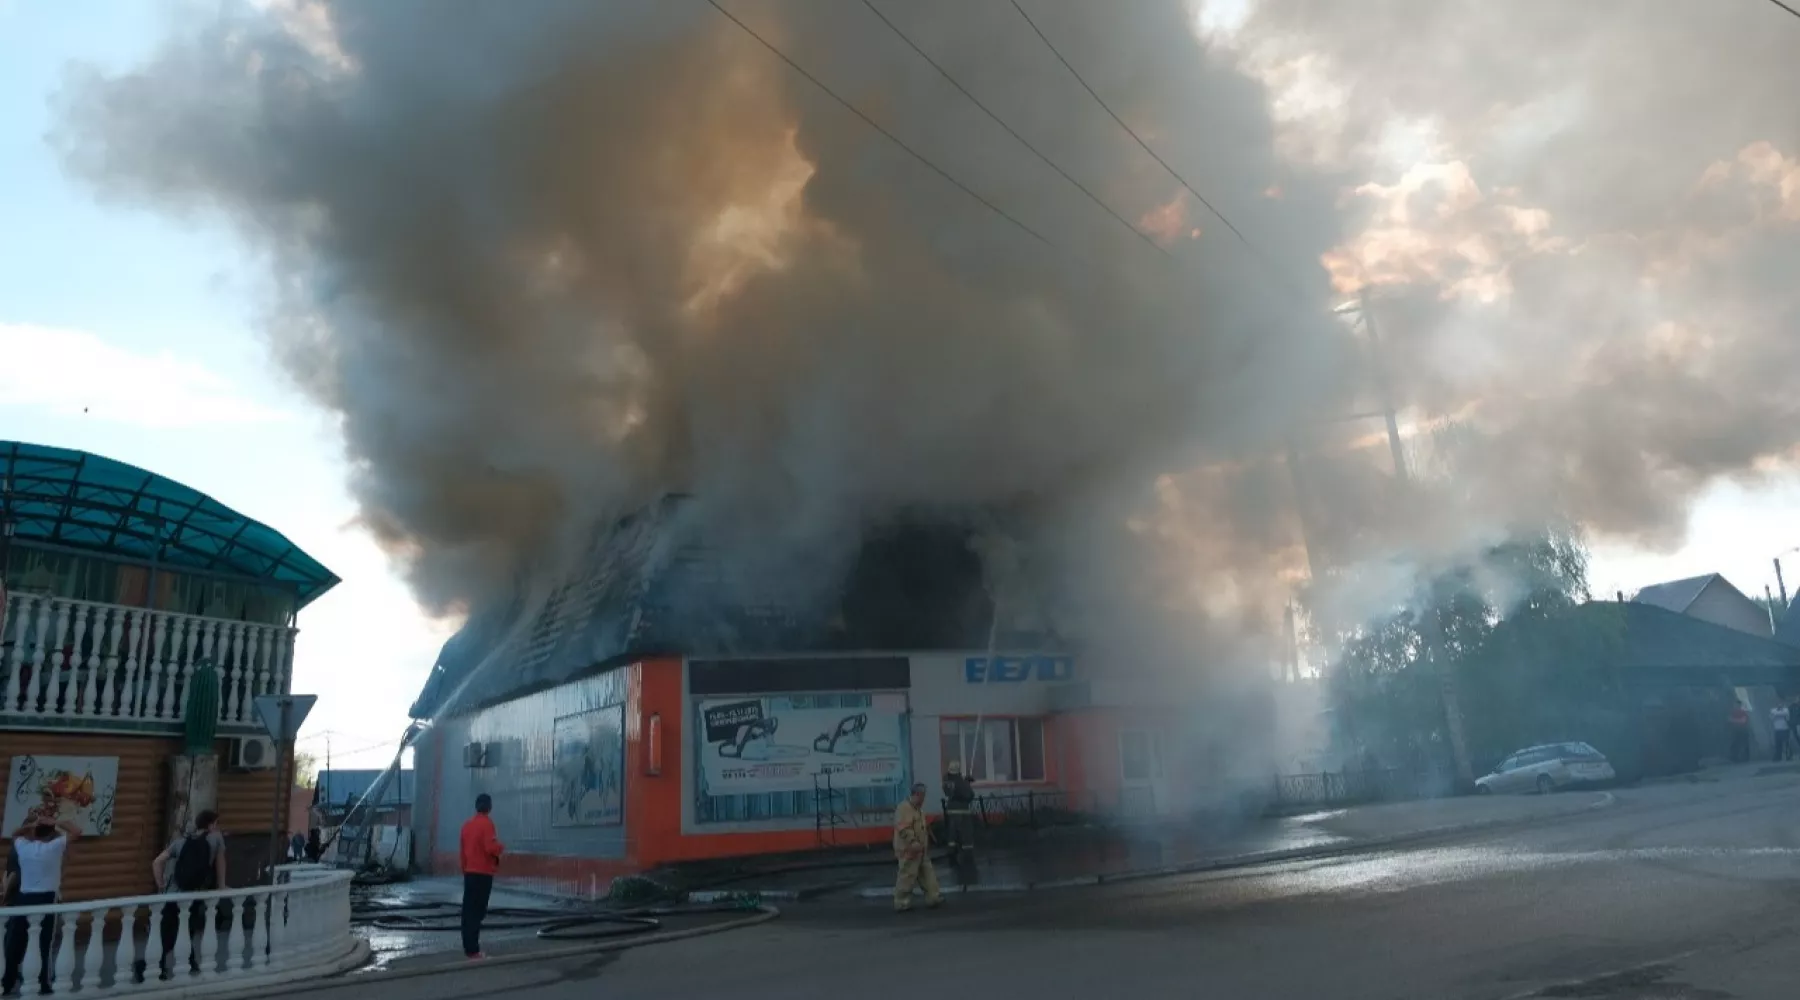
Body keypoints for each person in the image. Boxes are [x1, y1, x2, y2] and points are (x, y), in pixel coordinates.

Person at [3, 818, 80, 996]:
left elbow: (15, 834)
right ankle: (43, 983)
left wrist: (31, 826)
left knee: (16, 941)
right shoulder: (53, 848)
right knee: (44, 943)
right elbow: (76, 832)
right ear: (51, 834)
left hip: (24, 898)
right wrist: (59, 821)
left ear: (34, 833)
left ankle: (7, 982)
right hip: (46, 900)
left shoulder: (23, 847)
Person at [149, 811, 227, 981]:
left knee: (169, 930)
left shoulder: (181, 841)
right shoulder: (216, 838)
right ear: (211, 825)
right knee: (184, 930)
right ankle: (159, 966)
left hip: (172, 895)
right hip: (194, 894)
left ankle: (169, 965)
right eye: (217, 823)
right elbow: (220, 863)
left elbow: (157, 862)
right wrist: (222, 887)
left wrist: (160, 882)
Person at [459, 794, 504, 960]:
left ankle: (468, 947)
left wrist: (465, 869)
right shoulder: (487, 824)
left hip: (470, 873)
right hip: (483, 873)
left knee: (468, 911)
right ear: (489, 807)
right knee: (478, 911)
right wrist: (501, 847)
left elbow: (462, 853)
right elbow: (490, 847)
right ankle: (474, 950)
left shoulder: (466, 826)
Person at [892, 783, 942, 913]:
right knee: (907, 877)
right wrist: (913, 842)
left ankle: (933, 898)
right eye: (923, 796)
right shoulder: (904, 808)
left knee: (928, 876)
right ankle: (901, 903)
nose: (924, 799)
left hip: (920, 851)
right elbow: (904, 829)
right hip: (909, 851)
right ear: (917, 794)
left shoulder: (918, 809)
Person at [942, 761, 977, 867]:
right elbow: (969, 795)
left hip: (951, 811)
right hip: (962, 811)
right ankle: (967, 857)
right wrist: (967, 783)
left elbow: (952, 791)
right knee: (966, 835)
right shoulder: (959, 781)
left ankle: (951, 854)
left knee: (952, 835)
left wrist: (965, 781)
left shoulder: (946, 780)